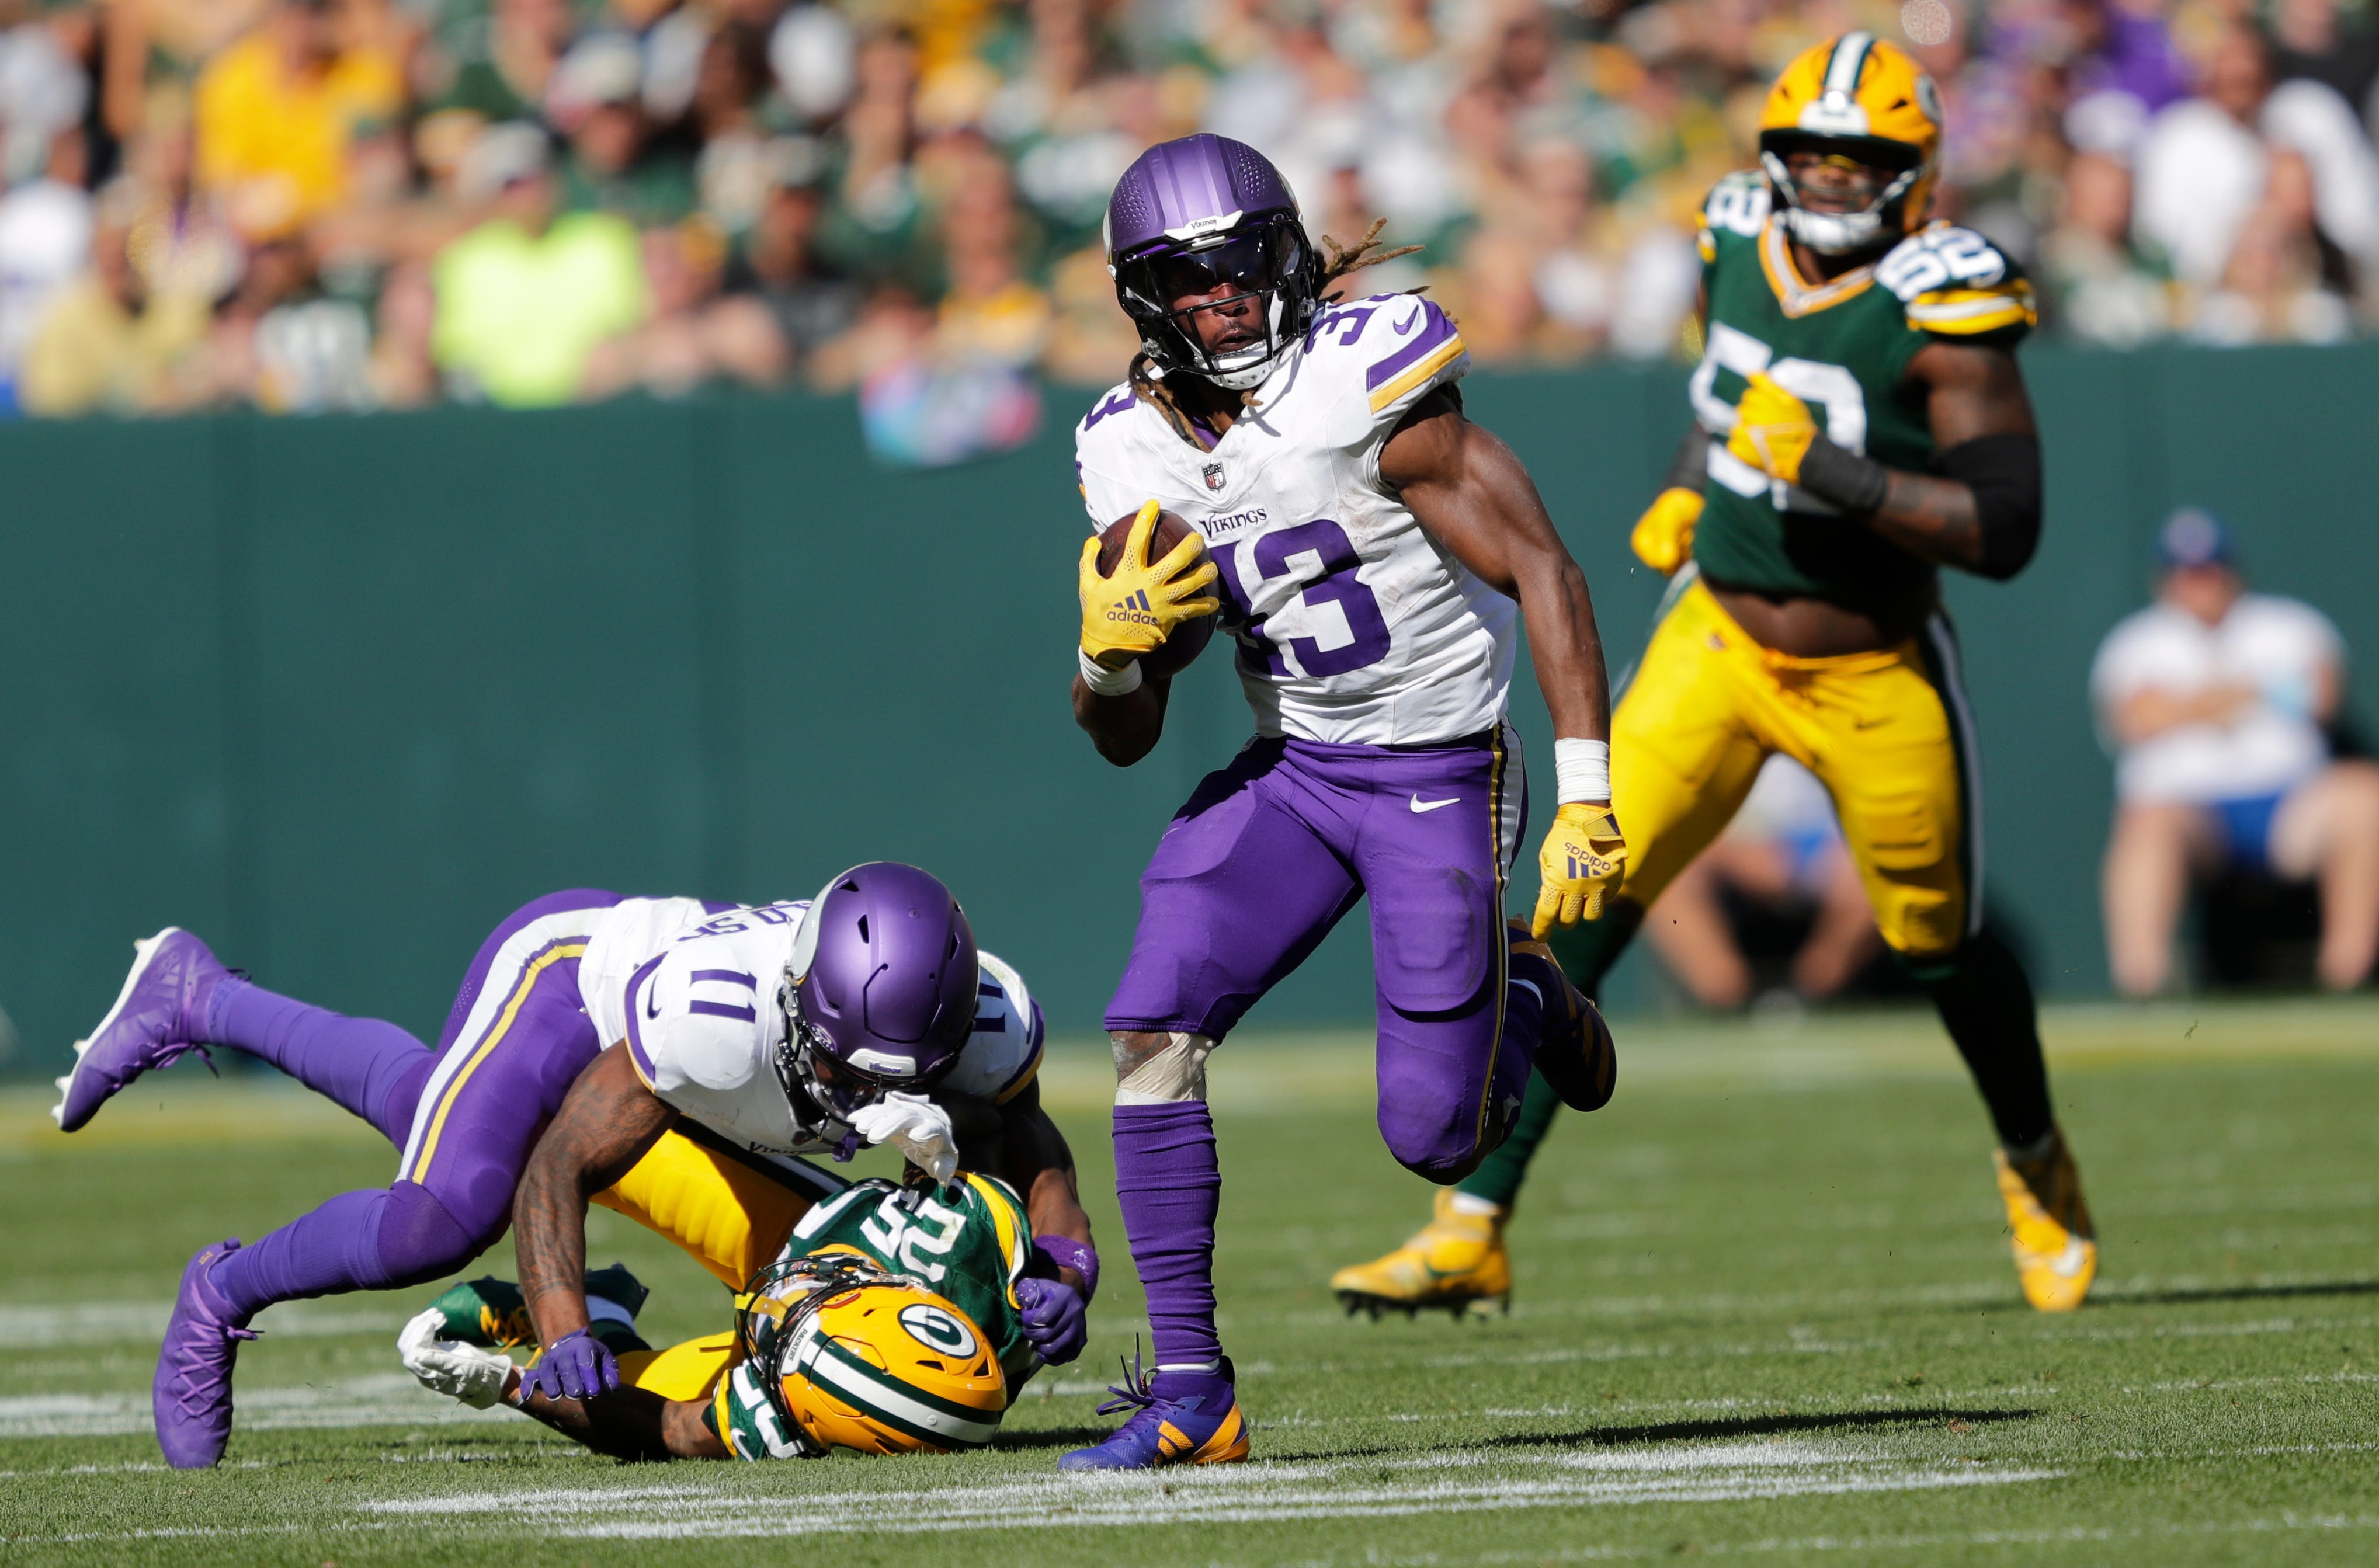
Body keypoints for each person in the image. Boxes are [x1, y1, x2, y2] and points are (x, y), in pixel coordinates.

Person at [1333, 33, 2095, 1323]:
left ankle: (2035, 1163)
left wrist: (1841, 481)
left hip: (1870, 658)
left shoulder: (1944, 294)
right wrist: (1695, 481)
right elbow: (1722, 384)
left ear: (1911, 169)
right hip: (1716, 636)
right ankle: (1468, 1223)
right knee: (1579, 894)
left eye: (1860, 159)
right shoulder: (1733, 229)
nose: (1832, 178)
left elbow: (2005, 525)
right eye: (1809, 153)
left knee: (1932, 939)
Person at [1062, 133, 1624, 1472]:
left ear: (1287, 255)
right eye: (1190, 285)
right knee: (1149, 1027)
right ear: (1143, 300)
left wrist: (1587, 786)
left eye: (1244, 268)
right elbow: (1127, 735)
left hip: (1437, 762)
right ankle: (1193, 1395)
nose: (1227, 301)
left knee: (1432, 1134)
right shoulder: (1121, 444)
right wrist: (1102, 654)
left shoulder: (1361, 374)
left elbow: (1541, 566)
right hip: (1300, 767)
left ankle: (1527, 992)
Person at [51, 863, 1093, 1469]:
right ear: (800, 1009)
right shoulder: (711, 1022)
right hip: (568, 990)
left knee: (827, 1290)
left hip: (693, 1071)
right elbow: (557, 1166)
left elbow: (1028, 1140)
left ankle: (198, 995)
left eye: (899, 1080)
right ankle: (219, 1290)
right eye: (847, 1073)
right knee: (447, 1208)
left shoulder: (989, 1019)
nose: (868, 1104)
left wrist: (1060, 1266)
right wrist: (559, 1334)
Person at [398, 1166, 1059, 1461]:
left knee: (628, 1380)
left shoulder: (789, 1412)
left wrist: (506, 1387)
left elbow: (669, 1431)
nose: (799, 1294)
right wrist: (1071, 1271)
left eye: (797, 1324)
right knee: (547, 1130)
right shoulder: (967, 1243)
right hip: (780, 1203)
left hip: (789, 1358)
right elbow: (1032, 1146)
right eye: (832, 1302)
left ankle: (595, 1310)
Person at [2092, 508, 2379, 994]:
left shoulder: (2287, 623)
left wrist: (2189, 704)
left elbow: (2322, 696)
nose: (2201, 582)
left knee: (2363, 796)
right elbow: (2137, 718)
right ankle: (2143, 990)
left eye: (2211, 568)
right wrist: (2250, 692)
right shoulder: (2136, 641)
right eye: (2186, 572)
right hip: (2189, 812)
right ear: (2164, 578)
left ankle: (2345, 982)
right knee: (2145, 823)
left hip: (2288, 804)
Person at [1641, 755, 1884, 1010]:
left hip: (1833, 849)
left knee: (1874, 865)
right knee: (1668, 871)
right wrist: (1740, 851)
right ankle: (1730, 1003)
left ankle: (1810, 995)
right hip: (1736, 847)